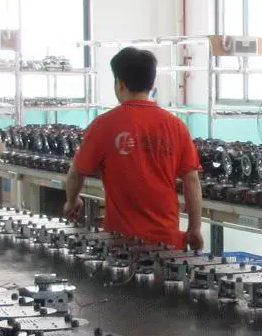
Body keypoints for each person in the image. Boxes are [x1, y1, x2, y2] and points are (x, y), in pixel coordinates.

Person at [63, 46, 205, 251]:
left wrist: (72, 201)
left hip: (121, 243)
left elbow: (76, 173)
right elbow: (192, 181)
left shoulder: (104, 125)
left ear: (120, 84)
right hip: (167, 243)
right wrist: (194, 228)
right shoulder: (176, 126)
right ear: (150, 83)